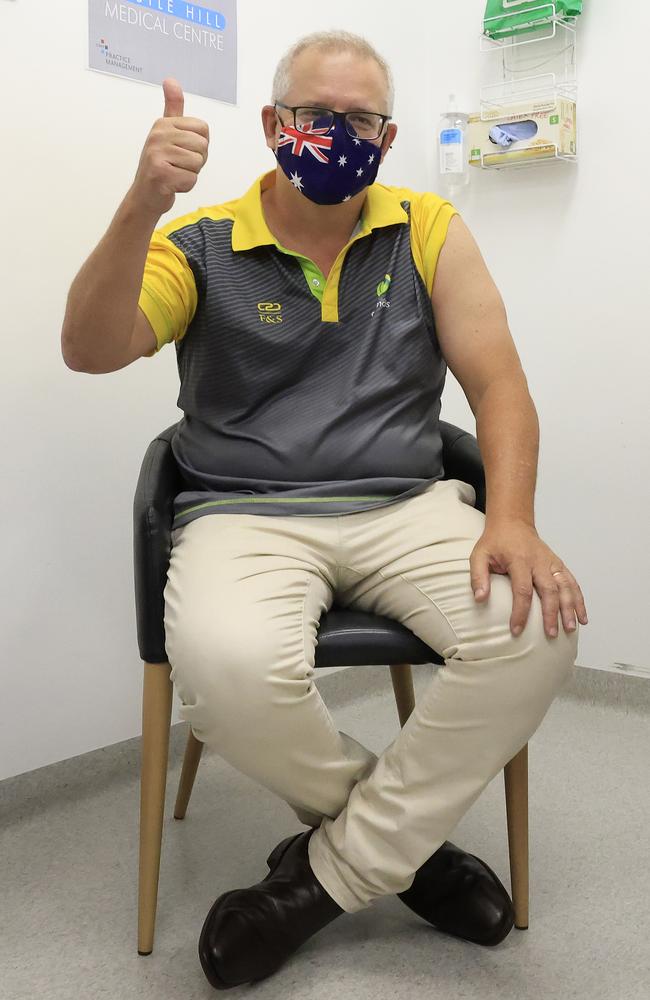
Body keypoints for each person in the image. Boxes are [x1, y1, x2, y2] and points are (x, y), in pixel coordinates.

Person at [61, 29, 588, 991]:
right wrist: (143, 202)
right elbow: (91, 350)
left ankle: (320, 880)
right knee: (226, 668)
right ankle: (413, 857)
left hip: (406, 504)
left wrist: (511, 518)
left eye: (359, 120)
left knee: (535, 632)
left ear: (385, 140)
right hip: (245, 512)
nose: (335, 135)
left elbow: (500, 386)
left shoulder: (428, 227)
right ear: (272, 124)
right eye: (313, 116)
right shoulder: (201, 241)